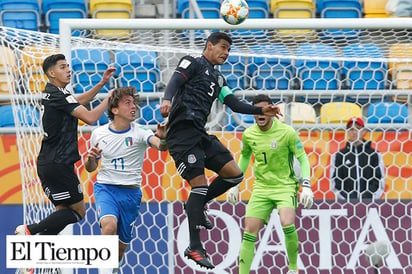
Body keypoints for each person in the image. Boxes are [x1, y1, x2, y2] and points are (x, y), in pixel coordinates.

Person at [159, 32, 281, 269]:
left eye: (229, 50)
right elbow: (175, 80)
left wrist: (261, 111)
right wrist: (166, 99)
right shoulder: (192, 63)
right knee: (199, 185)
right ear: (209, 45)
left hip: (200, 134)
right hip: (182, 135)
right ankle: (194, 246)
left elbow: (235, 104)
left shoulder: (219, 79)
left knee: (234, 173)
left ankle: (197, 203)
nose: (226, 53)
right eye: (223, 47)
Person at [14, 53, 115, 251]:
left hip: (49, 163)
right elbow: (91, 118)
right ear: (51, 73)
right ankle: (29, 230)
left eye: (68, 66)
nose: (68, 69)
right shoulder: (58, 95)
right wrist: (110, 99)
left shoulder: (57, 93)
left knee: (62, 212)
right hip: (58, 164)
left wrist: (102, 84)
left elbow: (79, 100)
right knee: (78, 212)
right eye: (62, 67)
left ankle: (33, 253)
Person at [226, 94, 313, 274]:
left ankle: (293, 268)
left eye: (264, 110)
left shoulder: (286, 132)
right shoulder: (249, 135)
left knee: (286, 221)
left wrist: (306, 185)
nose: (260, 115)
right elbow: (244, 158)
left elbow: (303, 158)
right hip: (262, 188)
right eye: (257, 112)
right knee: (249, 230)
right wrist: (235, 184)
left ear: (272, 111)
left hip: (285, 185)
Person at [84, 87, 167, 274]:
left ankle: (111, 269)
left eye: (134, 103)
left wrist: (163, 139)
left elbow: (159, 145)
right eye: (127, 103)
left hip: (131, 194)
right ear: (114, 109)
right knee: (109, 226)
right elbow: (90, 168)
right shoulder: (99, 133)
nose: (133, 107)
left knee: (119, 250)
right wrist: (90, 159)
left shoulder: (140, 131)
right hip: (106, 189)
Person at [330, 117, 385, 201]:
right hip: (347, 203)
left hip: (370, 202)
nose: (354, 132)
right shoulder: (339, 155)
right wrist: (350, 199)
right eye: (351, 129)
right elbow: (336, 182)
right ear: (347, 132)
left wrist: (367, 199)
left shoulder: (374, 154)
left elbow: (379, 180)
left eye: (358, 128)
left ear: (363, 131)